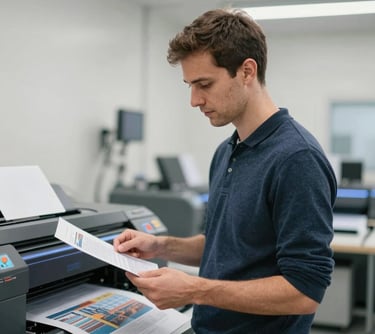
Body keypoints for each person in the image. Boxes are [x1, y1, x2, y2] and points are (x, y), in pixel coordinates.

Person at [114, 8, 337, 334]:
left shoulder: (297, 159)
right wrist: (161, 246)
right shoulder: (226, 152)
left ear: (247, 71)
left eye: (204, 84)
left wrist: (193, 289)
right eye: (190, 85)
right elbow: (223, 245)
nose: (194, 100)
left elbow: (304, 291)